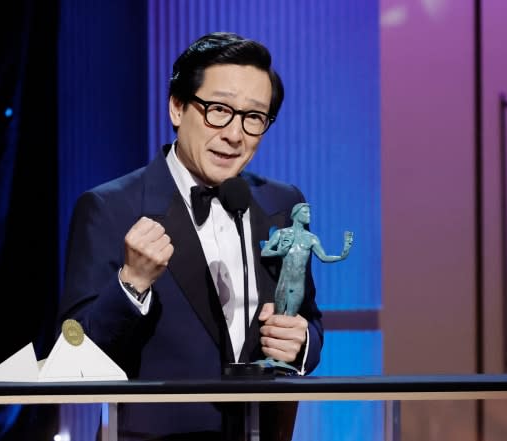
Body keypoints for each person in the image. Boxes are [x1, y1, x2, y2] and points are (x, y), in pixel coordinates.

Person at [57, 32, 324, 441]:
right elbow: (74, 351)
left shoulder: (282, 203)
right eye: (218, 110)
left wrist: (302, 341)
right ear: (177, 107)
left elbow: (310, 318)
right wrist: (131, 286)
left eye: (253, 117)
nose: (235, 134)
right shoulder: (110, 207)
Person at [262, 203, 353, 317]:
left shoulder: (311, 238)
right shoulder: (281, 233)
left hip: (298, 284)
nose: (309, 215)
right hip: (284, 282)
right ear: (295, 214)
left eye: (309, 212)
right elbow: (264, 252)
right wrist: (278, 253)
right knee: (278, 317)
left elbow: (323, 257)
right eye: (305, 212)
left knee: (290, 319)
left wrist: (342, 256)